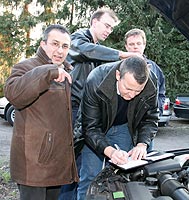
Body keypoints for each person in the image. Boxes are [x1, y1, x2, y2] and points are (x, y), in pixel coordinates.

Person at [4, 24, 79, 200]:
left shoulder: (66, 70)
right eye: (55, 43)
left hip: (55, 163)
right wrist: (48, 71)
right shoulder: (26, 67)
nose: (60, 50)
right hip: (34, 165)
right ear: (43, 44)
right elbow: (13, 94)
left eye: (65, 46)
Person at [77, 56, 159, 199]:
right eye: (128, 88)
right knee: (90, 177)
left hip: (123, 127)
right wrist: (110, 152)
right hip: (97, 129)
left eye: (138, 91)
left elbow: (150, 118)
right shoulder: (96, 80)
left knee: (121, 176)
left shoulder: (150, 84)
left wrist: (142, 144)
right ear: (118, 75)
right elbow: (90, 128)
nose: (132, 95)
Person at [67, 7, 140, 126]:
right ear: (95, 22)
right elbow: (85, 50)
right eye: (107, 26)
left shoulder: (98, 49)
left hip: (85, 105)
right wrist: (122, 55)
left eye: (111, 28)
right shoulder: (77, 38)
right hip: (71, 104)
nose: (109, 31)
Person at [124, 28, 166, 115]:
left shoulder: (155, 69)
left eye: (138, 43)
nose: (135, 47)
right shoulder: (119, 67)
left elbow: (161, 93)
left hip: (147, 118)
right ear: (126, 47)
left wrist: (156, 111)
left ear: (144, 45)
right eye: (131, 44)